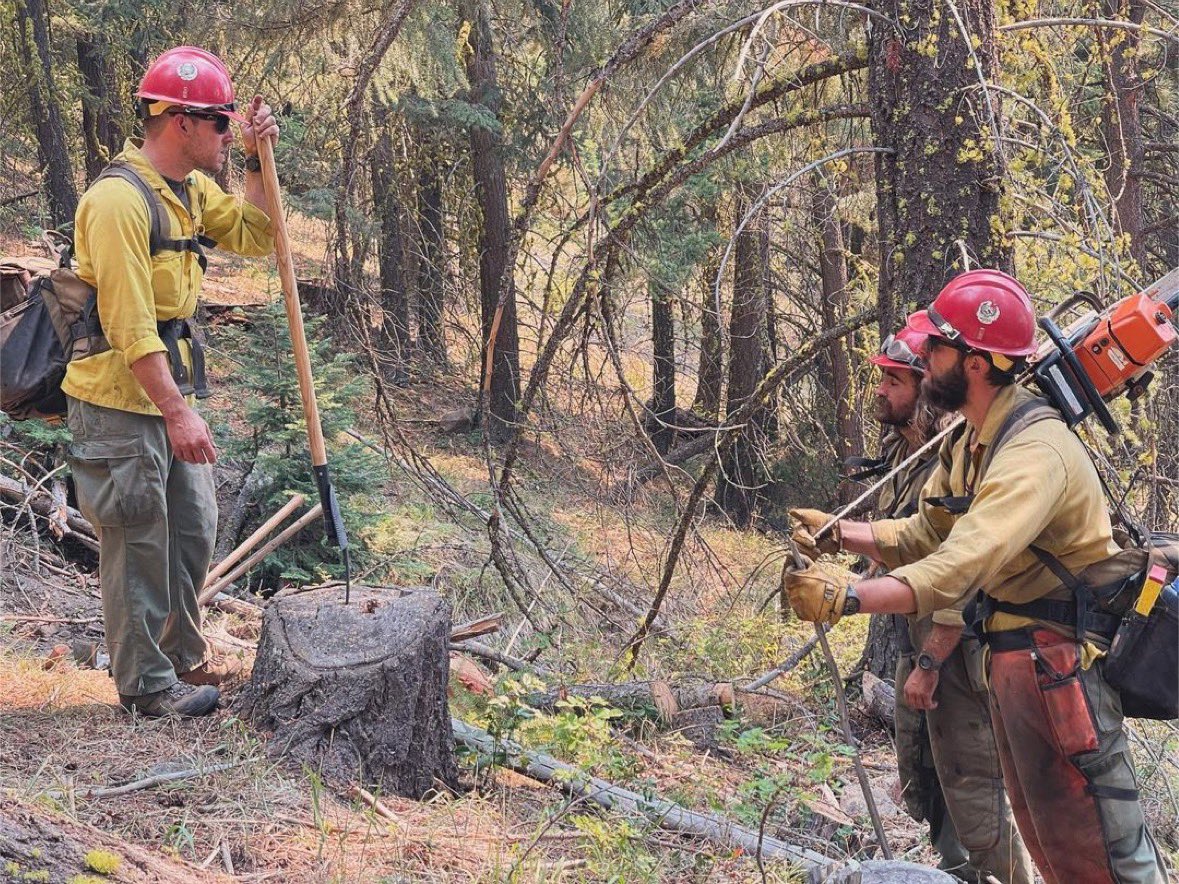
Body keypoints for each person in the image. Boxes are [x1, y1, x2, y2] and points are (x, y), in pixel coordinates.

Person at [785, 269, 1168, 883]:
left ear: (977, 362)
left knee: (1105, 855)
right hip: (1018, 667)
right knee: (1053, 851)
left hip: (1060, 668)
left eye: (936, 347)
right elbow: (923, 534)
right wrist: (839, 533)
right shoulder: (970, 442)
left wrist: (850, 597)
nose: (925, 357)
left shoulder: (1034, 451)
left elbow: (960, 563)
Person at [63, 46, 278, 718]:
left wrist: (253, 159)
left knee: (193, 527)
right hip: (118, 401)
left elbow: (256, 234)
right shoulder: (117, 202)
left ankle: (179, 660)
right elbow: (129, 326)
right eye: (219, 123)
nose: (224, 132)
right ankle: (145, 687)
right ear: (180, 121)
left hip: (166, 397)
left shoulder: (187, 190)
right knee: (138, 541)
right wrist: (179, 412)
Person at [795, 318, 1032, 882]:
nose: (882, 391)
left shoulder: (962, 457)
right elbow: (911, 540)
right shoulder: (915, 456)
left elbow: (962, 570)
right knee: (924, 782)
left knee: (973, 795)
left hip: (955, 653)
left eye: (897, 381)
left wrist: (930, 659)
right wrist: (839, 532)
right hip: (919, 646)